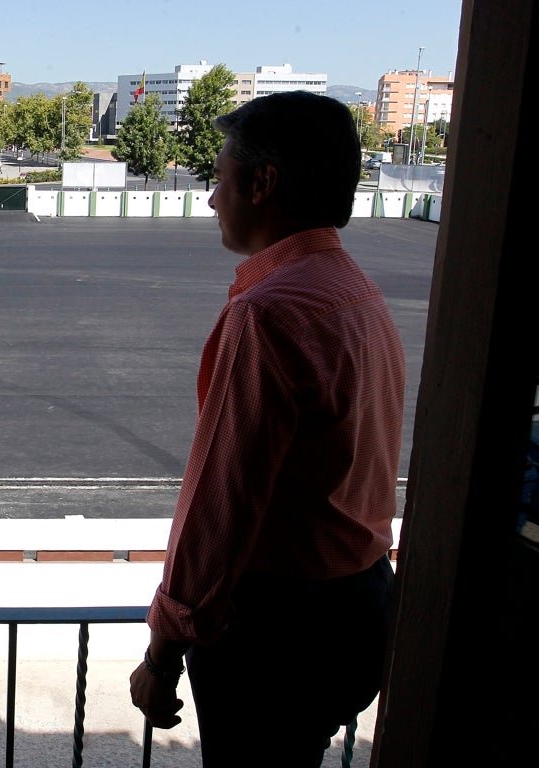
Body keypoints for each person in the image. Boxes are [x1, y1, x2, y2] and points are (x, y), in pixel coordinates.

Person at [128, 91, 405, 767]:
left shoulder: (268, 311)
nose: (211, 199)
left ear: (262, 184)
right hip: (361, 604)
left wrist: (162, 653)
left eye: (220, 179)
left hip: (280, 630)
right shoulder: (356, 292)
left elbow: (220, 505)